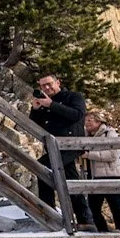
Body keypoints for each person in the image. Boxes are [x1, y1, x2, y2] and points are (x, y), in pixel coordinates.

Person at [28, 74, 87, 210]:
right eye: (43, 85)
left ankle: (48, 209)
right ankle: (85, 220)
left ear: (58, 83)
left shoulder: (73, 97)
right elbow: (35, 125)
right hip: (54, 147)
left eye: (49, 84)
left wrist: (52, 105)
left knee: (43, 167)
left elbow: (77, 114)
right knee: (71, 180)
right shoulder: (45, 102)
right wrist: (36, 109)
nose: (47, 88)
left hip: (71, 144)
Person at [80, 111, 120, 233]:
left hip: (112, 175)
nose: (86, 123)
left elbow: (113, 154)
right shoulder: (85, 137)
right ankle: (102, 231)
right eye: (86, 120)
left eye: (90, 120)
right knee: (93, 207)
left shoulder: (110, 133)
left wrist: (89, 155)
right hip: (94, 176)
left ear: (99, 121)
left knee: (116, 206)